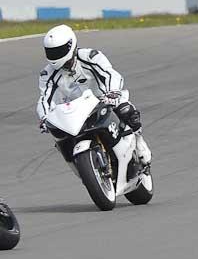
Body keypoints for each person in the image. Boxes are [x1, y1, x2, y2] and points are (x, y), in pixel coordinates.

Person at [36, 24, 151, 166]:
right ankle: (80, 166)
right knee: (59, 136)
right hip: (73, 112)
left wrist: (112, 92)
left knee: (126, 110)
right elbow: (44, 98)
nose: (55, 55)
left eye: (59, 51)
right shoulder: (47, 74)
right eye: (52, 52)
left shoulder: (90, 57)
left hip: (103, 99)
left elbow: (110, 74)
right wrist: (44, 117)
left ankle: (139, 140)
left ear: (70, 46)